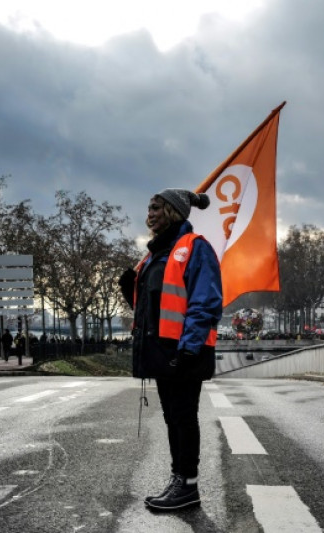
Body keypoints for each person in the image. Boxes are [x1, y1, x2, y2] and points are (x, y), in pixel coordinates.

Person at [118, 188, 222, 512]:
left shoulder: (195, 248)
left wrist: (190, 348)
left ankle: (188, 485)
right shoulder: (154, 256)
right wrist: (129, 291)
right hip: (162, 351)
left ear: (173, 212)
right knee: (172, 417)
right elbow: (153, 310)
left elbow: (205, 302)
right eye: (148, 208)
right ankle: (180, 479)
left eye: (155, 207)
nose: (149, 213)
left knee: (183, 416)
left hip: (183, 351)